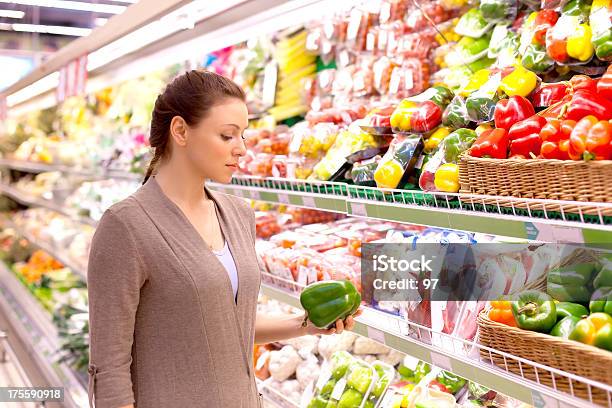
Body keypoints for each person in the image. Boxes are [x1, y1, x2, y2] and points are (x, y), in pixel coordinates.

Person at [87, 70, 360, 408]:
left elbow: (227, 328)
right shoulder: (126, 227)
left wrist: (304, 325)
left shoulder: (237, 215)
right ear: (180, 131)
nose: (242, 149)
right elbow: (109, 366)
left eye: (243, 135)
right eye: (228, 136)